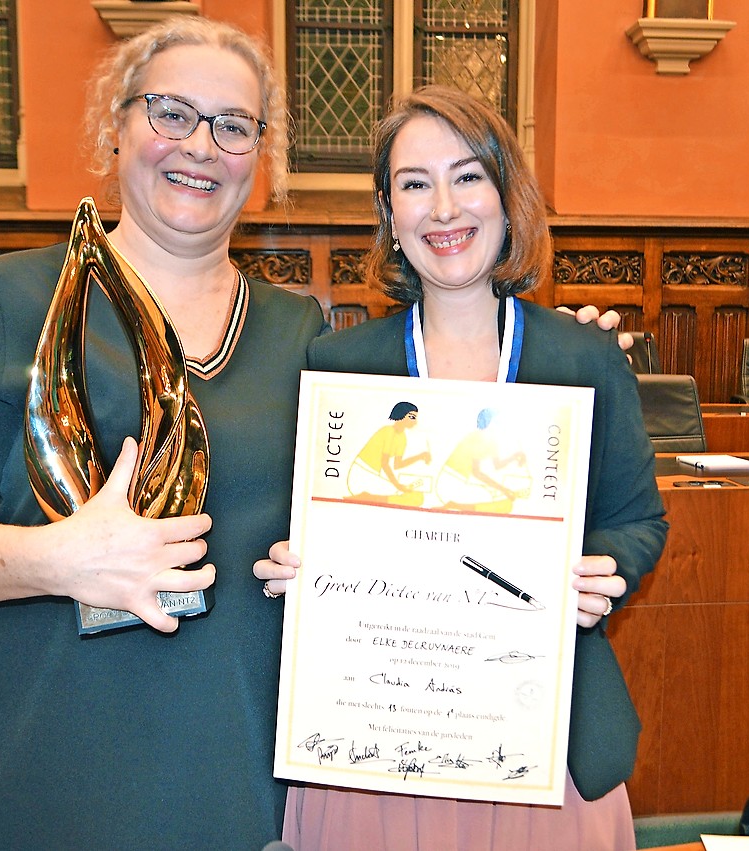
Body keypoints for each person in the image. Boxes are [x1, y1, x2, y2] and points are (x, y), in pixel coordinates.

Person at [0, 18, 629, 849]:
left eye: (232, 126)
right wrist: (51, 558)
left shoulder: (299, 333)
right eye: (170, 113)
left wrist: (557, 358)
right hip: (68, 767)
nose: (201, 145)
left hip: (260, 776)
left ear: (258, 160)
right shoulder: (5, 300)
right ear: (114, 128)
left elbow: (410, 498)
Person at [255, 85, 668, 851]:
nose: (444, 208)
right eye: (415, 184)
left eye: (468, 176)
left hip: (541, 739)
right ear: (390, 213)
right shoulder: (340, 366)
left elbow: (639, 518)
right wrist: (292, 566)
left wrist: (604, 568)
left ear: (507, 196)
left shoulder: (582, 357)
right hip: (374, 746)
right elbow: (300, 532)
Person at [344, 401, 433, 505]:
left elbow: (398, 465)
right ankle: (365, 497)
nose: (415, 422)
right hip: (362, 474)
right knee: (413, 498)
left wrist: (420, 456)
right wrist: (398, 486)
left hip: (373, 475)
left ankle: (367, 497)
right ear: (401, 415)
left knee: (417, 497)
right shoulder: (388, 431)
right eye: (412, 417)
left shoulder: (402, 437)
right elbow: (384, 464)